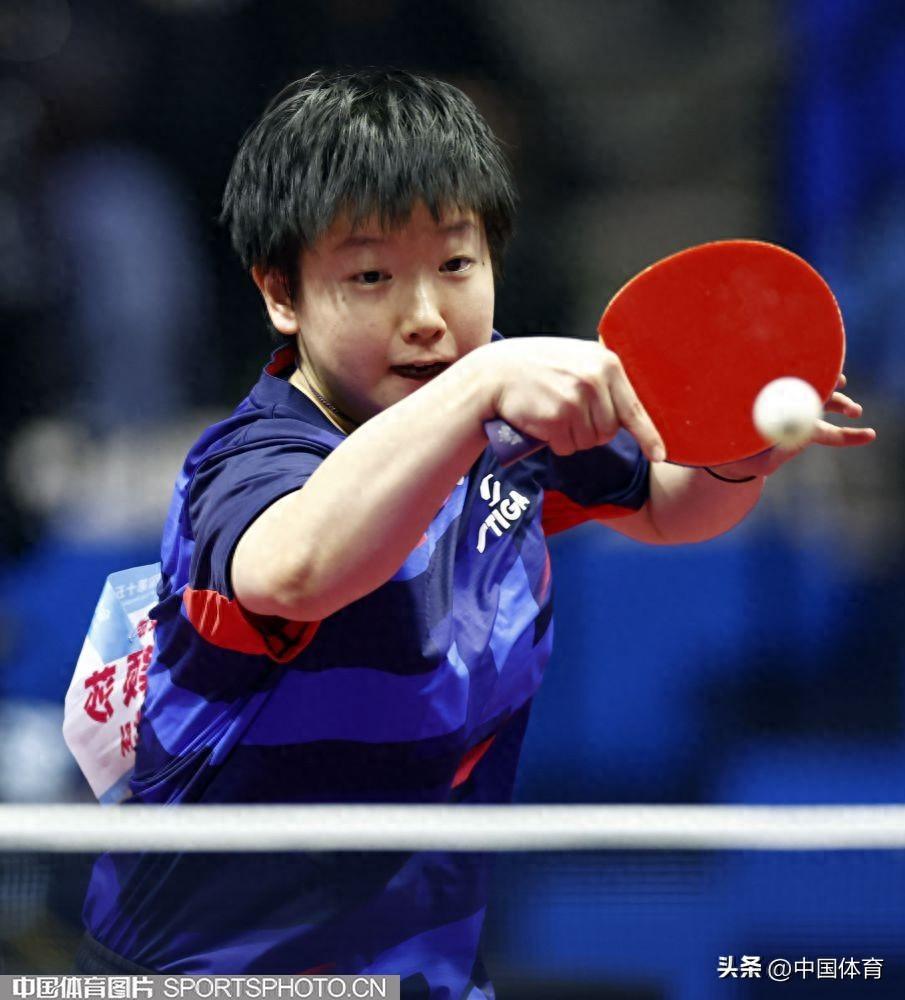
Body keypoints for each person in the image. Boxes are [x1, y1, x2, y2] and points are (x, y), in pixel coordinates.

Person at [78, 69, 874, 993]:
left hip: (423, 969)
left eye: (455, 265)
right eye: (371, 276)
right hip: (204, 978)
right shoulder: (249, 465)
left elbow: (666, 507)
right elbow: (295, 571)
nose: (426, 318)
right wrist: (478, 387)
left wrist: (735, 458)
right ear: (282, 294)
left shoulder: (499, 419)